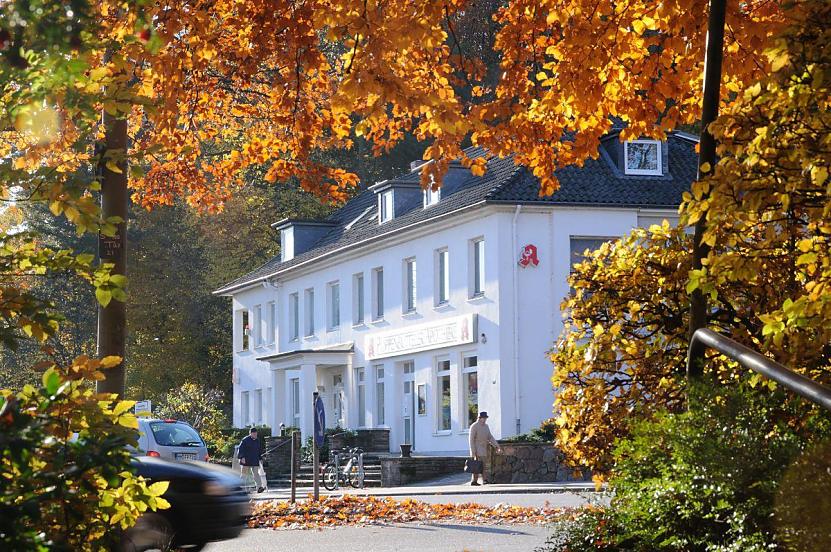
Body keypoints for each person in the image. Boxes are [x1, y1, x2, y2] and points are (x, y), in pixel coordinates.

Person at [468, 412, 502, 486]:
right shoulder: (474, 426)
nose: (485, 419)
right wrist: (473, 451)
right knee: (476, 466)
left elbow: (490, 437)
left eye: (486, 418)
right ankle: (474, 481)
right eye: (484, 418)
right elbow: (471, 440)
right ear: (479, 418)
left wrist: (497, 446)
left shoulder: (486, 426)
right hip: (476, 449)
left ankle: (484, 480)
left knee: (484, 465)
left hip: (483, 449)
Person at [238, 427, 265, 493]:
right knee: (244, 475)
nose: (255, 435)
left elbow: (259, 451)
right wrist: (242, 457)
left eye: (256, 434)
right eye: (254, 434)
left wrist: (260, 458)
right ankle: (241, 488)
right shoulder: (245, 440)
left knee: (256, 475)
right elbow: (240, 449)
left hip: (254, 460)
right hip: (246, 460)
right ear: (250, 434)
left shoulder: (257, 441)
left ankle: (259, 488)